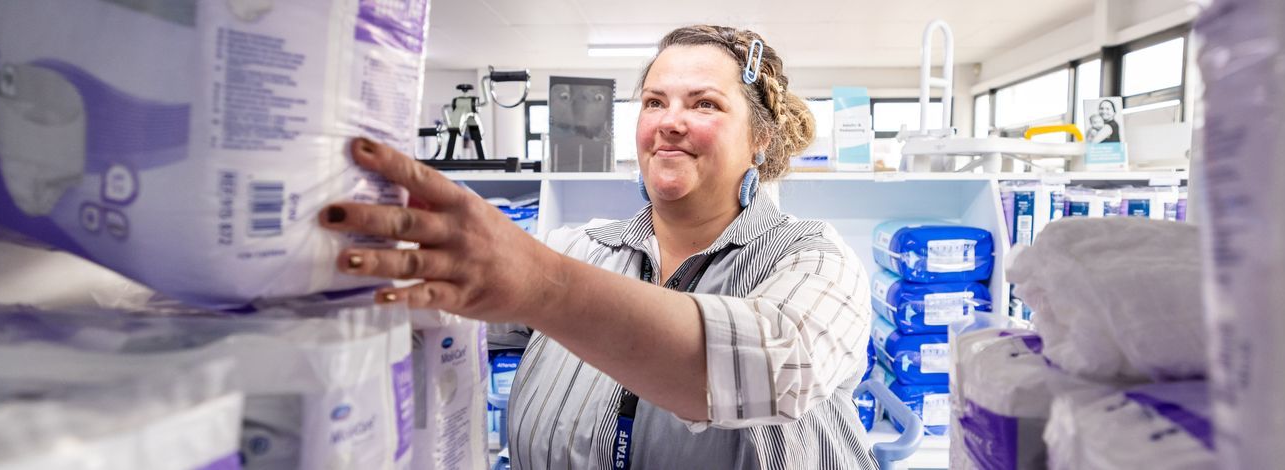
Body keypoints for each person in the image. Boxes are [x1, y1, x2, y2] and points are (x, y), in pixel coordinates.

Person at [318, 25, 876, 469]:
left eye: (704, 103)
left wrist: (538, 282)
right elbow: (447, 307)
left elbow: (773, 367)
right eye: (654, 102)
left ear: (760, 139)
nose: (670, 122)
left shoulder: (814, 258)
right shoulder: (581, 248)